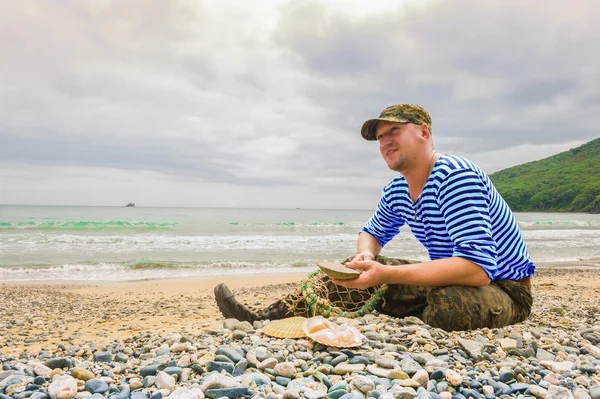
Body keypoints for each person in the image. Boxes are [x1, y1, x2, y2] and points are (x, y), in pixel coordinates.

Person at [214, 104, 535, 331]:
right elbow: (372, 232)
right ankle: (269, 316)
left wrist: (385, 275)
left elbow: (477, 270)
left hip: (505, 289)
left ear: (424, 132)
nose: (384, 142)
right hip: (455, 277)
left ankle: (396, 313)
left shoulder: (455, 176)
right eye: (380, 137)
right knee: (351, 271)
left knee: (449, 305)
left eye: (394, 131)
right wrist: (368, 254)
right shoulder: (398, 188)